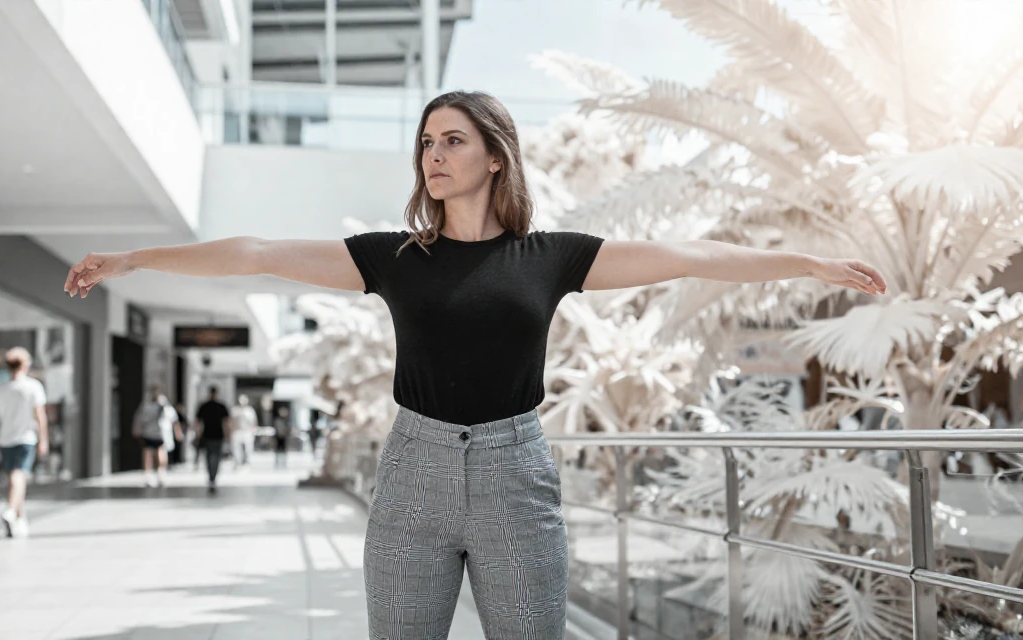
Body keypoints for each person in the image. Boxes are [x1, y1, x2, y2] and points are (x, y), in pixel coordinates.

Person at [62, 90, 886, 639]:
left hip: (515, 475)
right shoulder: (393, 258)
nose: (434, 153)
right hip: (412, 473)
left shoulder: (550, 257)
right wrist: (134, 259)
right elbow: (258, 252)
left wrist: (805, 264)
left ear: (496, 156)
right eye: (426, 141)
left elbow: (688, 254)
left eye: (453, 140)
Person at [0, 347, 47, 538]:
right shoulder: (33, 387)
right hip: (26, 438)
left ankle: (19, 517)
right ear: (25, 365)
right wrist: (43, 439)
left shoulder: (1, 389)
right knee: (19, 475)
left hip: (5, 439)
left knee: (15, 477)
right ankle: (11, 510)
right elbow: (40, 416)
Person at [132, 385, 182, 488]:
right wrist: (137, 430)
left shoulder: (165, 406)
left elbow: (174, 420)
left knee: (160, 453)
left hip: (161, 434)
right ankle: (148, 475)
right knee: (147, 454)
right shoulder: (146, 405)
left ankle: (160, 473)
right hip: (148, 433)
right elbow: (139, 418)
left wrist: (178, 433)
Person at [195, 386, 232, 493]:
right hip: (211, 436)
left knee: (212, 457)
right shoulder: (217, 406)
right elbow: (198, 423)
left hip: (214, 435)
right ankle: (212, 477)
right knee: (212, 457)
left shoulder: (208, 406)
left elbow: (226, 422)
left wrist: (228, 434)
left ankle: (212, 477)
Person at [230, 394, 258, 469]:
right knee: (236, 448)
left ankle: (247, 461)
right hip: (237, 431)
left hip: (247, 431)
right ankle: (237, 462)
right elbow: (231, 421)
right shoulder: (235, 410)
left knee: (248, 448)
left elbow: (254, 421)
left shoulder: (250, 410)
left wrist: (254, 430)